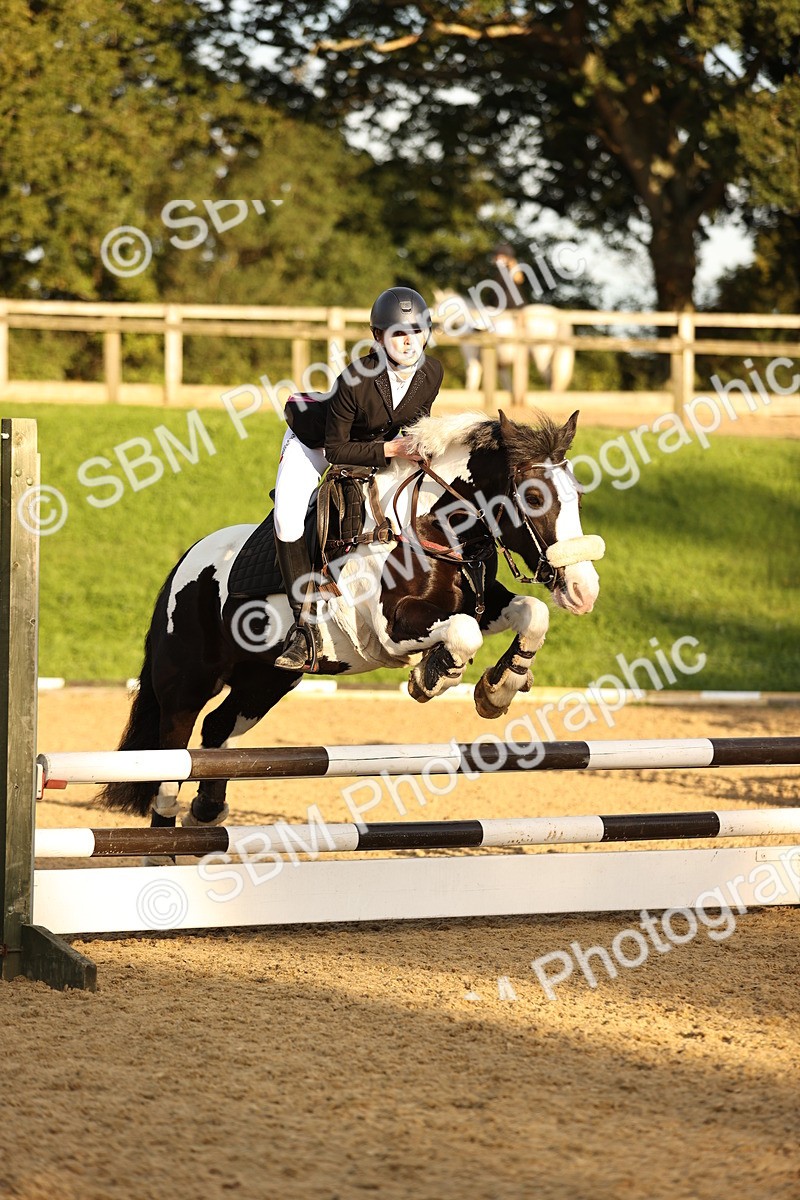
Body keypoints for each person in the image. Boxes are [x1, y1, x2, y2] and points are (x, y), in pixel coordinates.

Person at [272, 286, 444, 671]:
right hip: (317, 443)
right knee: (287, 515)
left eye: (417, 331)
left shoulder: (432, 371)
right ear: (378, 337)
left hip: (379, 443)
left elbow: (416, 425)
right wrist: (392, 451)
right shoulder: (355, 378)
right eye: (398, 333)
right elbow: (336, 452)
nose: (409, 341)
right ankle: (303, 629)